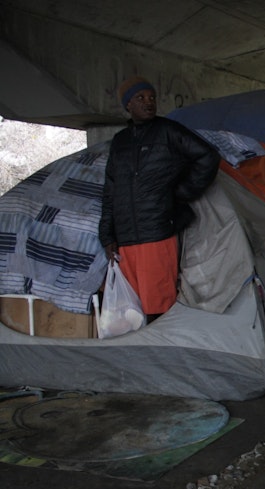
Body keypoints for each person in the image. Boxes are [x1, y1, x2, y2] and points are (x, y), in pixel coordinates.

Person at [99, 76, 220, 321]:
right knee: (132, 308)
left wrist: (182, 193)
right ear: (128, 105)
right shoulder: (120, 142)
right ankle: (140, 353)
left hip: (156, 232)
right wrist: (107, 235)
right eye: (140, 98)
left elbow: (207, 157)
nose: (148, 103)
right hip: (125, 238)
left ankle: (163, 353)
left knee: (159, 305)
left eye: (152, 97)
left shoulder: (167, 131)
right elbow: (111, 190)